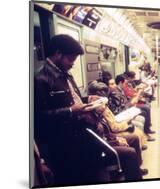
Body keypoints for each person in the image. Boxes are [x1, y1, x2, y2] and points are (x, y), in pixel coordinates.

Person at [34, 34, 144, 184]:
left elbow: (74, 100)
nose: (73, 63)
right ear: (58, 54)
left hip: (86, 134)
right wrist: (71, 111)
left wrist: (88, 100)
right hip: (69, 143)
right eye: (71, 59)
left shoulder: (66, 75)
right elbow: (40, 118)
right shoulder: (41, 80)